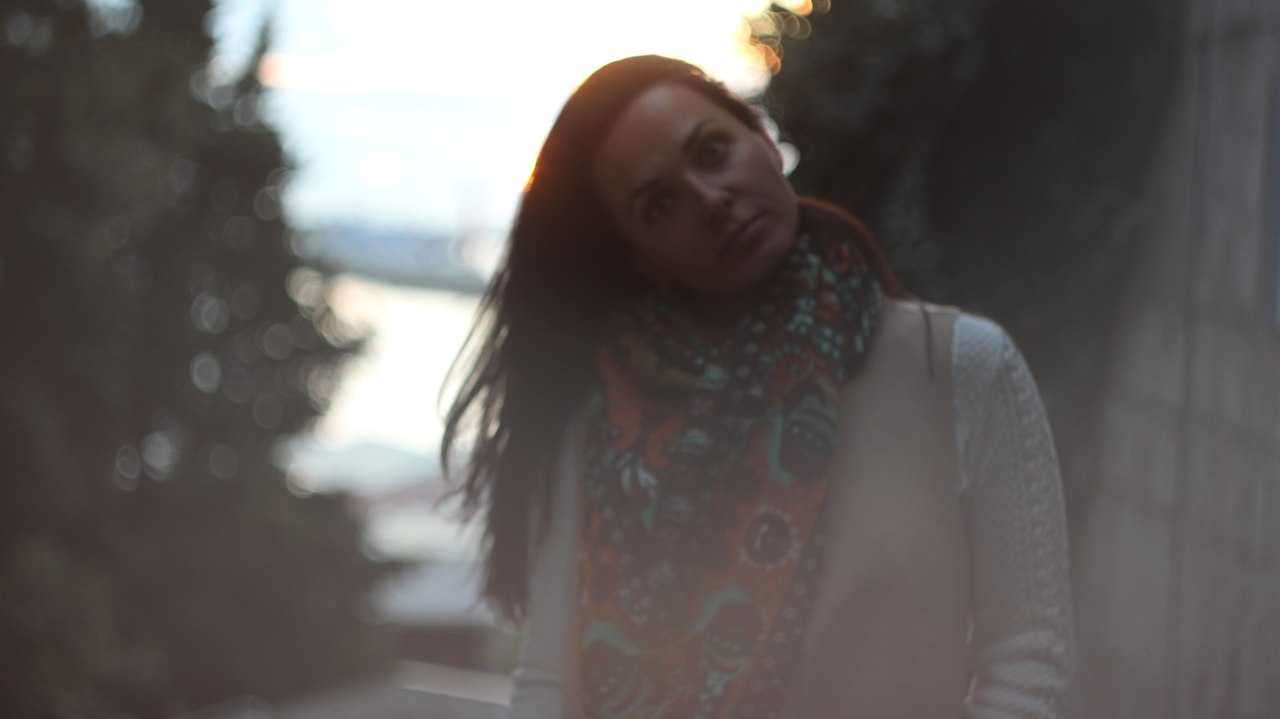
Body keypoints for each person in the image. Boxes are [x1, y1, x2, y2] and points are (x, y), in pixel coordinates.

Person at [442, 55, 1074, 719]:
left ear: (764, 140)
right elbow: (547, 683)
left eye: (712, 152)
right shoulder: (602, 423)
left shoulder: (958, 368)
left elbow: (1029, 662)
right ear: (639, 257)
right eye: (660, 204)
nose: (710, 199)